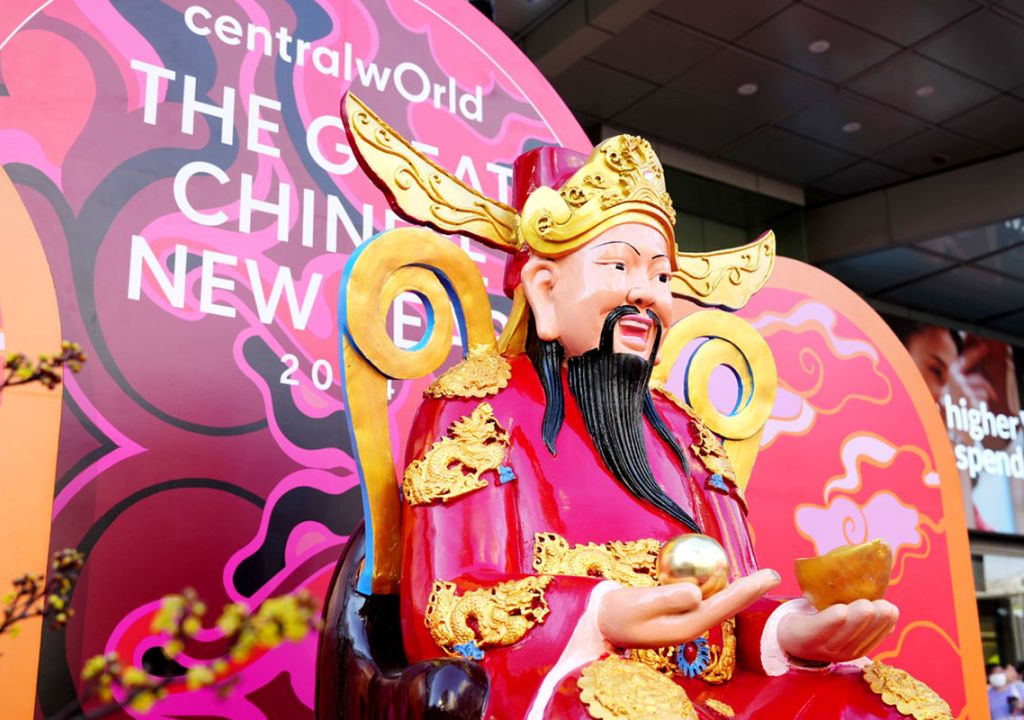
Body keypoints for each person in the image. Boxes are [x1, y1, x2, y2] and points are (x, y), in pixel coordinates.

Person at [391, 136, 943, 718]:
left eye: (660, 276)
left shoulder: (687, 432)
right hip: (569, 686)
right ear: (546, 290)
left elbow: (734, 602)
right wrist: (597, 612)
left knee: (881, 702)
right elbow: (445, 606)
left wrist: (790, 631)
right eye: (619, 266)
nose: (646, 294)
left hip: (721, 697)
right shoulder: (480, 405)